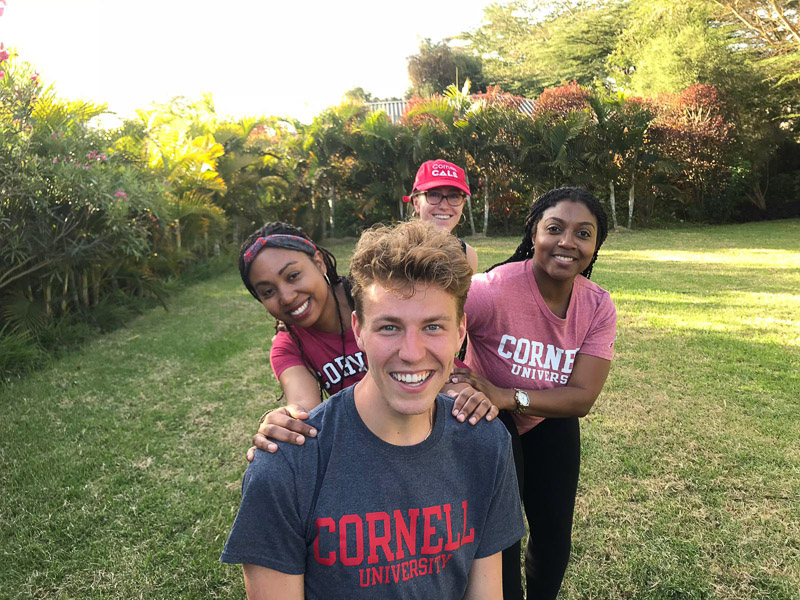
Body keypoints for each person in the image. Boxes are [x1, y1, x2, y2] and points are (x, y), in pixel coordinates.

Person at [220, 221, 525, 600]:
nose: (412, 353)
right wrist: (287, 434)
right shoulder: (284, 469)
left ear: (461, 331)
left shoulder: (486, 442)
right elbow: (302, 406)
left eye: (433, 326)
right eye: (389, 328)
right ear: (359, 328)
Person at [448, 187, 616, 600]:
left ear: (595, 246)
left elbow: (581, 398)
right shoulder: (493, 289)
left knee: (554, 532)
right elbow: (435, 322)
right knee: (502, 536)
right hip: (489, 420)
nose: (567, 242)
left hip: (546, 418)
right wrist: (455, 378)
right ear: (534, 234)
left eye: (583, 233)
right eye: (554, 228)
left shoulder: (597, 306)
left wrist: (510, 394)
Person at [243, 222, 495, 458]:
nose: (286, 296)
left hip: (452, 414)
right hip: (381, 436)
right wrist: (284, 421)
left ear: (319, 263)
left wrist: (460, 396)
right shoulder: (289, 345)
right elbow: (304, 411)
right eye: (268, 291)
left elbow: (426, 350)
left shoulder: (373, 295)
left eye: (293, 275)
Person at [404, 159, 479, 273]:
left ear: (463, 204)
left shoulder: (468, 255)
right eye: (434, 194)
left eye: (454, 196)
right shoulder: (396, 252)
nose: (444, 206)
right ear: (416, 203)